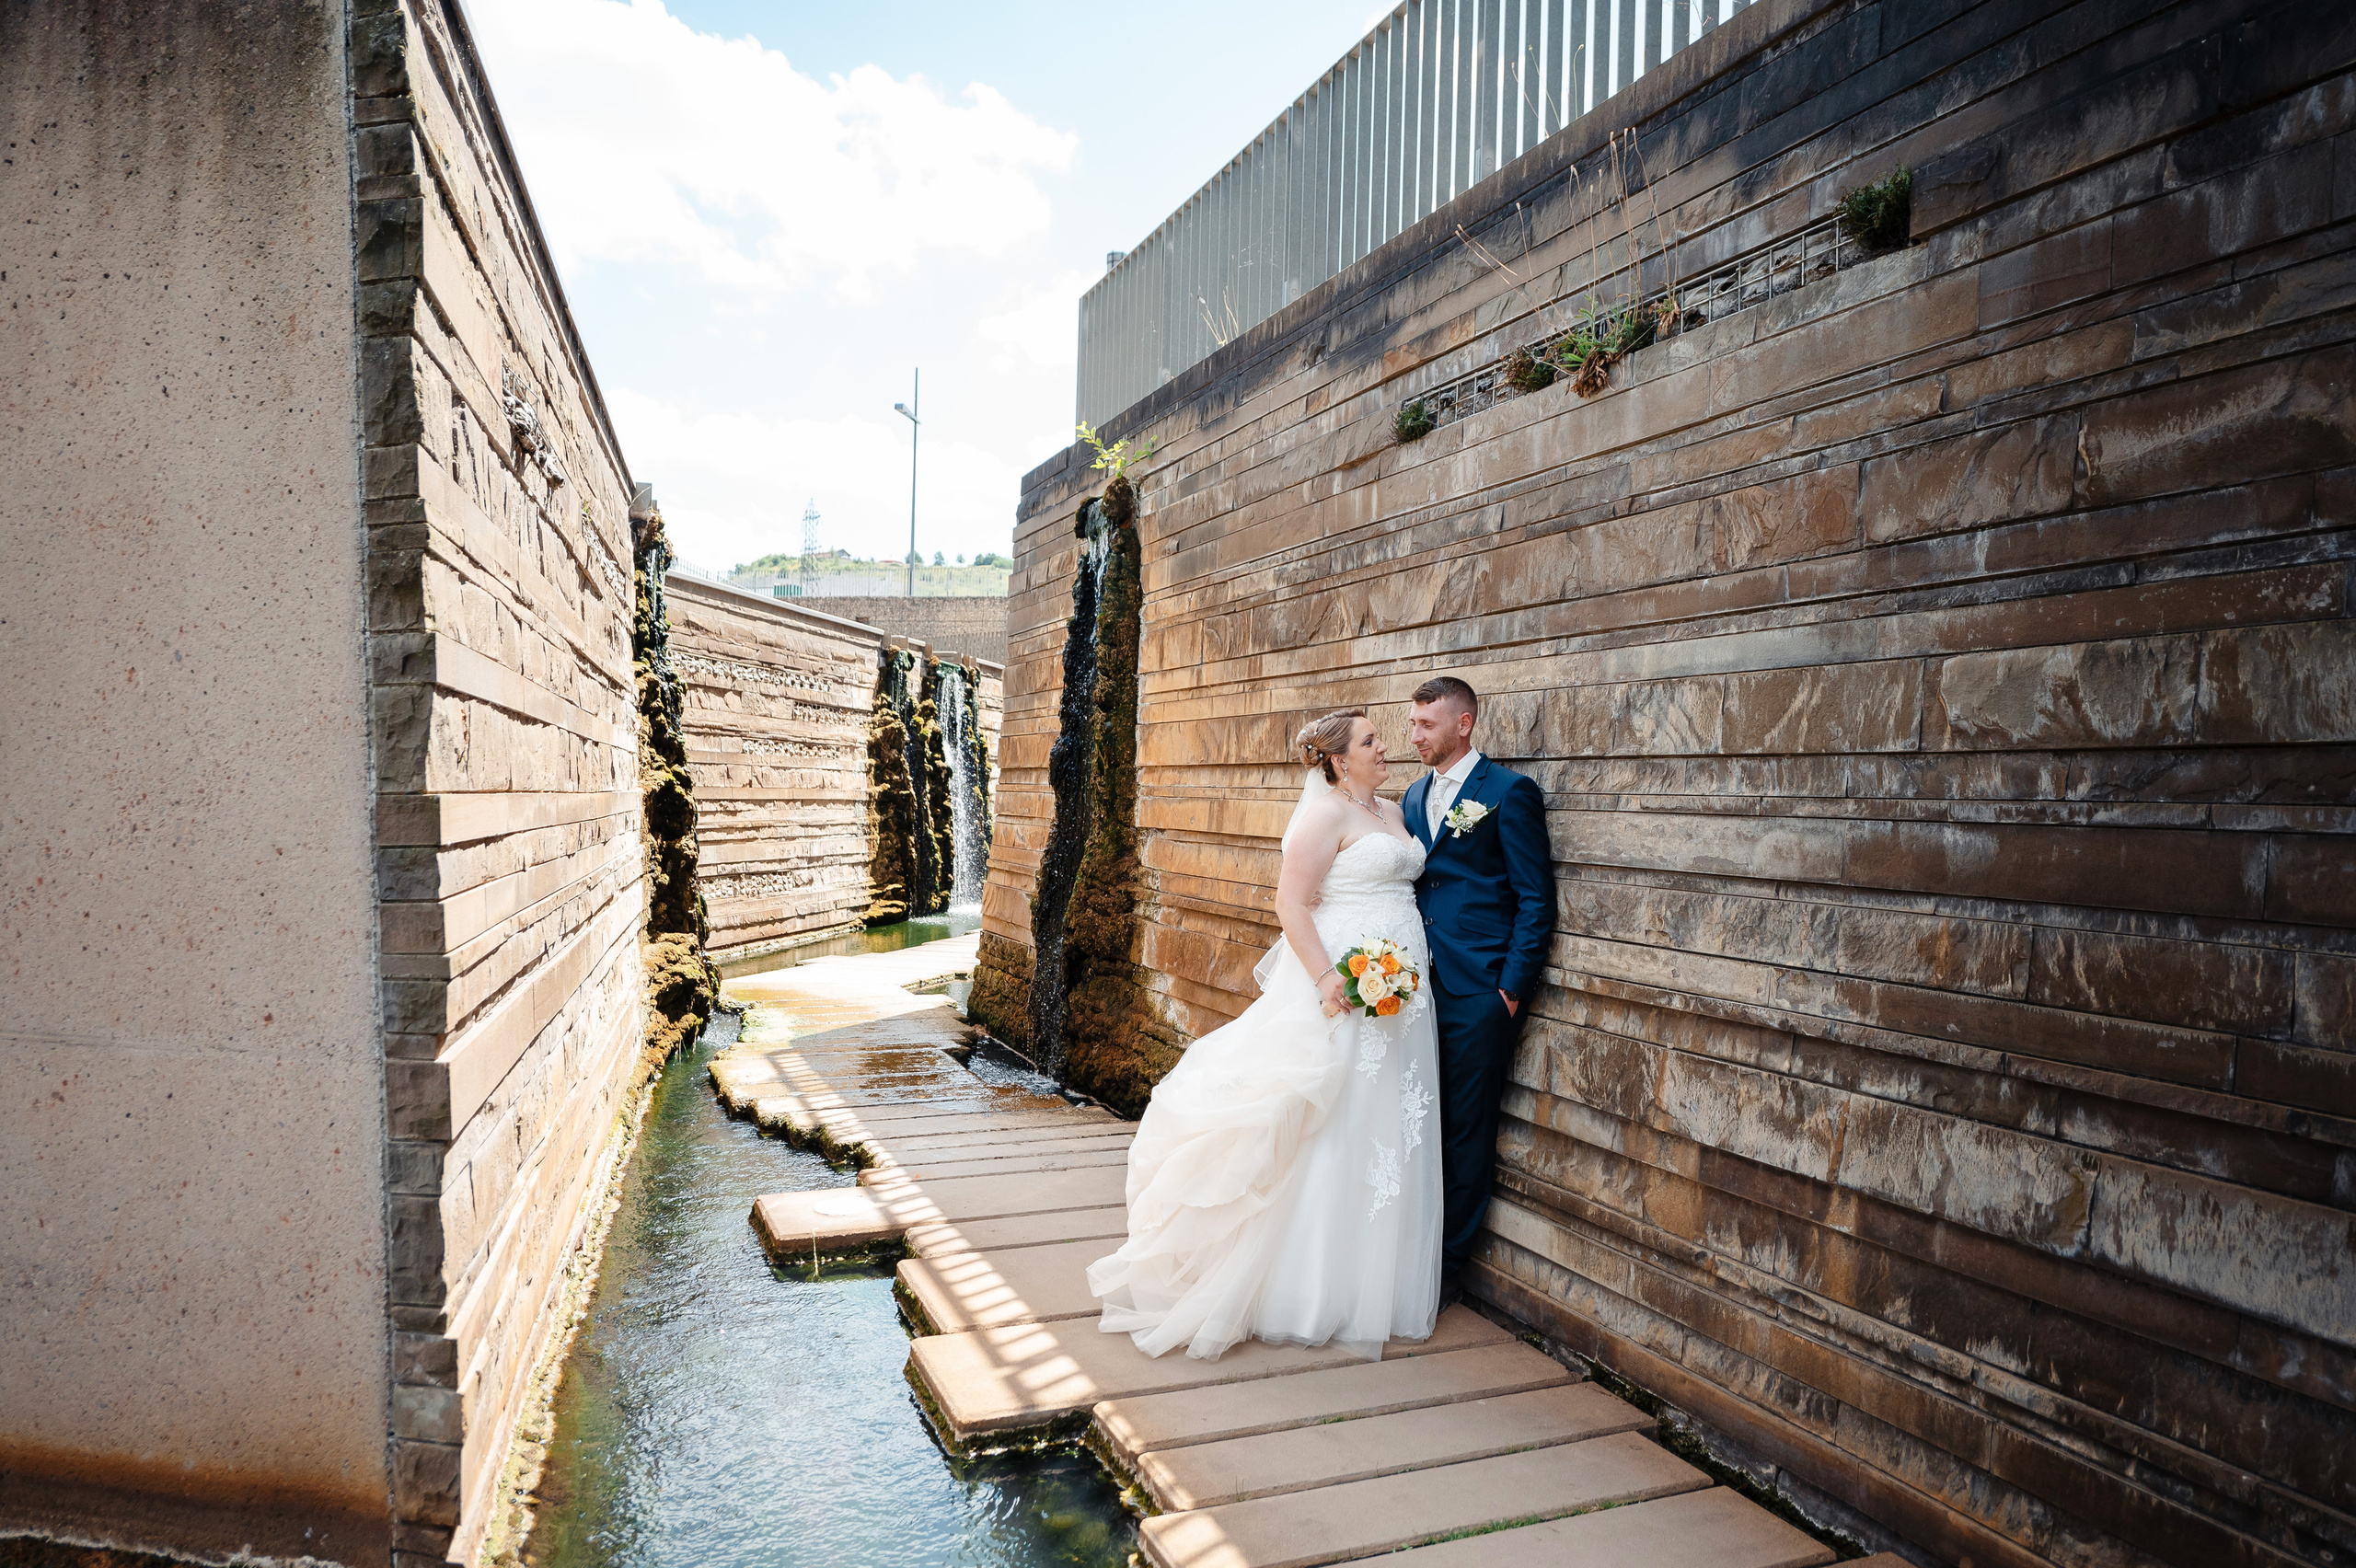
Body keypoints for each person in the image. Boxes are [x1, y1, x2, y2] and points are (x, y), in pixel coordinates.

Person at [1088, 709, 1442, 1360]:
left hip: (1404, 993)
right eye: (1370, 741)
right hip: (1348, 982)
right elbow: (1290, 903)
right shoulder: (1324, 816)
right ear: (1338, 759)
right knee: (1331, 1118)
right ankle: (1306, 1288)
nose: (1384, 746)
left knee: (1390, 1121)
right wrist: (1328, 979)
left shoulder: (1394, 811)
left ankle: (1375, 1281)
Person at [1400, 676, 1552, 1307]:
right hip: (1413, 993)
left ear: (1464, 724)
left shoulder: (1509, 793)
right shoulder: (1411, 798)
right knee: (1414, 1123)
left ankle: (1447, 1268)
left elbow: (1535, 898)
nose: (1415, 736)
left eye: (1426, 725)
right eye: (1411, 725)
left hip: (1477, 993)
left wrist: (1509, 992)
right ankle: (1407, 1250)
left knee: (1466, 1130)